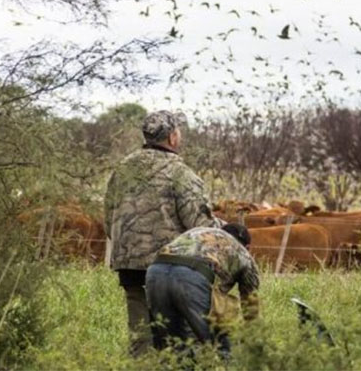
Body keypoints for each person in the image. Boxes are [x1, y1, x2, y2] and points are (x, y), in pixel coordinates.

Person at [105, 110, 218, 358]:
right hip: (170, 267)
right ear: (172, 137)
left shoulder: (122, 169)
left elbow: (108, 215)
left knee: (140, 335)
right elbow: (199, 224)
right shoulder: (180, 172)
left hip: (130, 265)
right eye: (178, 131)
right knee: (175, 337)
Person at [146, 223, 260, 362]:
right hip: (192, 277)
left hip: (155, 271)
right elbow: (251, 304)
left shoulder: (199, 232)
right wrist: (254, 339)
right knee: (219, 340)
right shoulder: (243, 252)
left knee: (171, 342)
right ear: (248, 247)